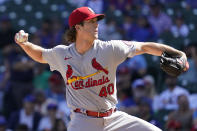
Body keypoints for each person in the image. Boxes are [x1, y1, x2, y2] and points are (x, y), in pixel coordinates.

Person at [14, 6, 188, 131]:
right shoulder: (62, 54)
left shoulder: (109, 48)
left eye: (96, 20)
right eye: (91, 21)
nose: (96, 24)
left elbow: (144, 47)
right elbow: (40, 55)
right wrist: (25, 44)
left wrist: (178, 52)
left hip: (113, 118)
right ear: (78, 27)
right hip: (83, 122)